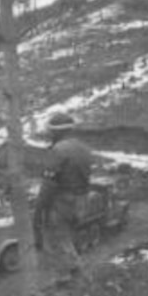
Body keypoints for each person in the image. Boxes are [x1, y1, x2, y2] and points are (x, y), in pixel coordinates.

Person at [33, 112, 93, 286]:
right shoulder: (83, 148)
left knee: (53, 240)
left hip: (62, 201)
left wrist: (38, 211)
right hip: (81, 200)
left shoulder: (58, 150)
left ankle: (65, 280)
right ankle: (76, 274)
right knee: (65, 239)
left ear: (56, 132)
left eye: (51, 131)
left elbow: (49, 184)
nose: (49, 134)